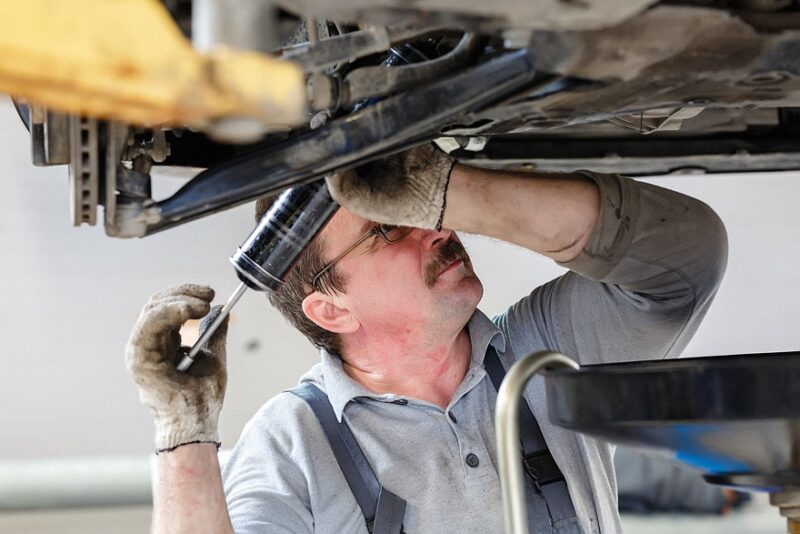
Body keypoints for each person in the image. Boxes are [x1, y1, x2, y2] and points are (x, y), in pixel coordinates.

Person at [126, 145, 727, 533]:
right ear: (330, 308)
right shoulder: (292, 445)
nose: (433, 230)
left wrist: (453, 191)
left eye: (421, 210)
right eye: (388, 228)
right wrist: (184, 435)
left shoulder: (548, 355)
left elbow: (687, 255)